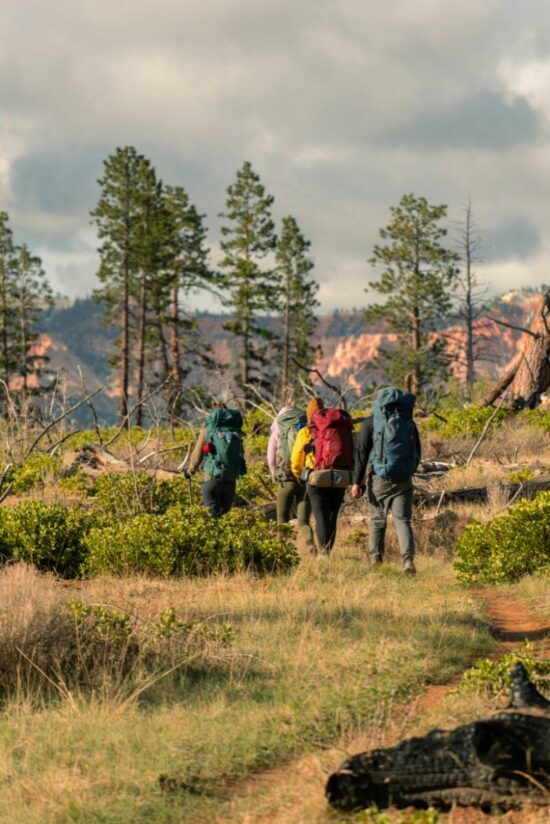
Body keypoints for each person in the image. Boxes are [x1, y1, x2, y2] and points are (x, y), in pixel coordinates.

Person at [351, 387, 421, 575]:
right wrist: (409, 471)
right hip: (404, 479)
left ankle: (376, 562)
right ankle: (407, 561)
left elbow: (362, 453)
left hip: (379, 479)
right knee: (403, 520)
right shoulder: (408, 421)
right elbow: (418, 451)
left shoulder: (371, 422)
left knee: (377, 521)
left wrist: (357, 482)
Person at [292, 398, 354, 555]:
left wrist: (300, 474)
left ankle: (324, 554)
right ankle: (328, 551)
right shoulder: (339, 428)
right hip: (340, 476)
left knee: (321, 517)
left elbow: (295, 459)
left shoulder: (306, 431)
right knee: (332, 516)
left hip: (317, 477)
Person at [185, 403, 246, 518]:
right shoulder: (236, 430)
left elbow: (198, 454)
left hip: (211, 478)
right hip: (230, 479)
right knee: (224, 516)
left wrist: (190, 471)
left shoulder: (208, 429)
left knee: (212, 516)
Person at [267, 404, 314, 550]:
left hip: (286, 478)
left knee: (282, 519)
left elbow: (271, 457)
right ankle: (310, 543)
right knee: (304, 521)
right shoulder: (306, 427)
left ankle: (282, 551)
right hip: (305, 477)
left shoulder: (278, 428)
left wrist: (274, 474)